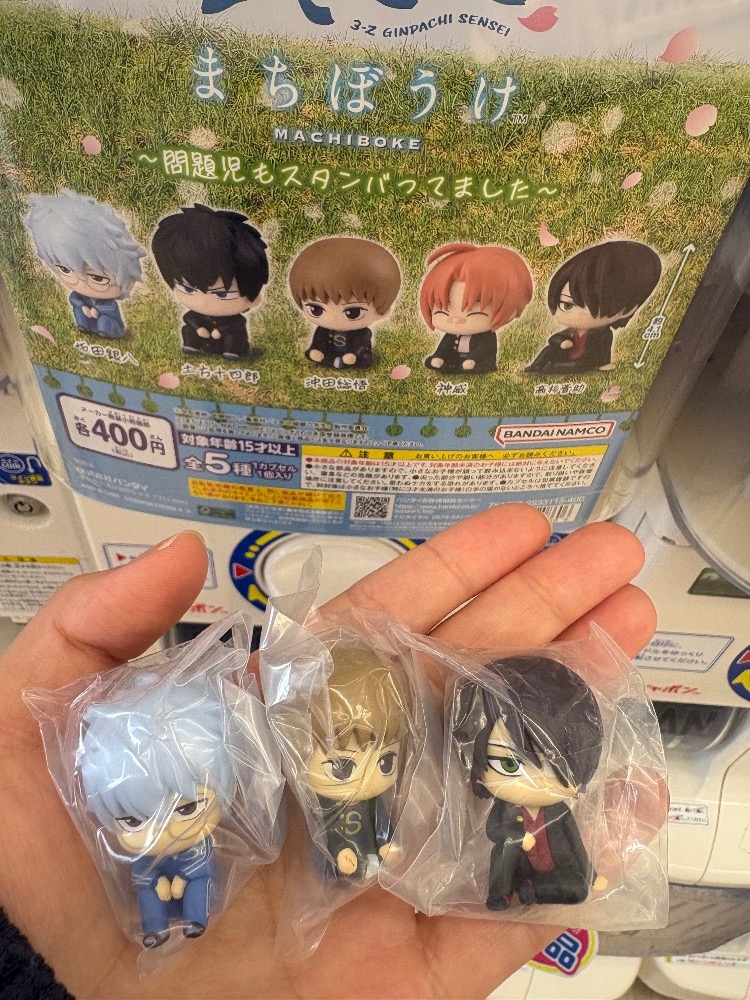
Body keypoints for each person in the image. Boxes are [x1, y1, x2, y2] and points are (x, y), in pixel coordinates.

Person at [0, 505, 655, 998]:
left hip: (483, 871)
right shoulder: (297, 809)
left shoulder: (504, 810)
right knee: (196, 875)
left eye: (386, 762)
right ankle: (172, 913)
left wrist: (406, 852)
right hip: (308, 857)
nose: (370, 776)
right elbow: (332, 836)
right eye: (340, 766)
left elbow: (445, 833)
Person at [525, 240, 662, 375]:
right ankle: (536, 366)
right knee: (549, 350)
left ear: (628, 309)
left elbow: (604, 350)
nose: (562, 313)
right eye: (566, 305)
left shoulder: (601, 334)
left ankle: (553, 368)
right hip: (567, 354)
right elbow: (555, 338)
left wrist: (604, 363)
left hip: (586, 360)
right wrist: (562, 342)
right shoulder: (572, 330)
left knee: (578, 366)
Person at [151, 204, 269, 360]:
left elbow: (236, 324)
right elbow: (189, 318)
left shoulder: (234, 318)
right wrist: (198, 328)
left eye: (222, 294)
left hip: (226, 339)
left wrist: (220, 331)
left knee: (233, 336)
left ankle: (232, 352)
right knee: (188, 330)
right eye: (188, 289)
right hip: (205, 339)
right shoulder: (196, 314)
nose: (204, 301)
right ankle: (192, 346)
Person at [25, 189, 146, 339]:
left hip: (107, 318)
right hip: (86, 313)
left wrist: (95, 311)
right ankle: (84, 325)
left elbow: (109, 309)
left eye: (98, 278)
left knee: (105, 320)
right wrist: (83, 307)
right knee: (80, 312)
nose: (81, 281)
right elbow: (75, 300)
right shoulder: (79, 294)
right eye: (64, 269)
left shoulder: (107, 302)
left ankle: (106, 331)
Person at [288, 236, 401, 370]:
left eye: (353, 312)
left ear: (383, 310)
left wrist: (354, 354)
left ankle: (343, 361)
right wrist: (316, 350)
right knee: (317, 354)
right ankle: (333, 360)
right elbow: (319, 341)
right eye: (315, 309)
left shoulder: (362, 333)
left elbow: (361, 345)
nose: (333, 319)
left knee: (362, 359)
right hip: (330, 354)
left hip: (354, 357)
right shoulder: (323, 330)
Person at [420, 243, 534, 374]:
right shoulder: (451, 335)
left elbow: (483, 350)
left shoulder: (486, 337)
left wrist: (472, 360)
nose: (456, 319)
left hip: (479, 362)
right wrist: (439, 356)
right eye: (443, 308)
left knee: (476, 366)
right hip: (455, 359)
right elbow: (445, 346)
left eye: (473, 309)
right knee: (440, 362)